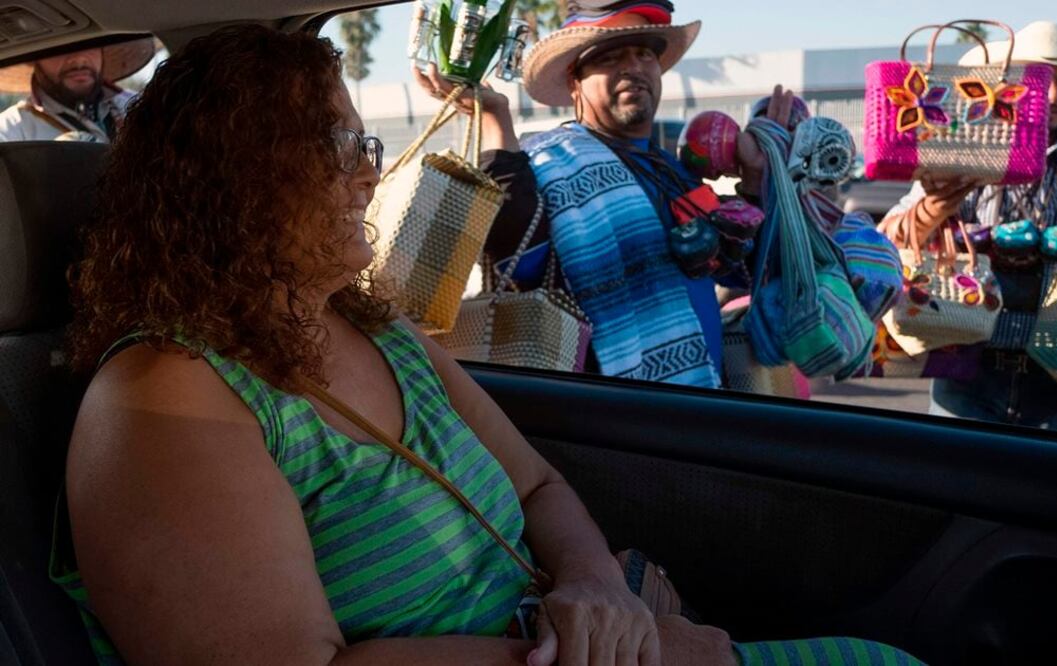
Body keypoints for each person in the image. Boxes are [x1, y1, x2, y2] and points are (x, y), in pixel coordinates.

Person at [54, 24, 920, 666]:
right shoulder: (165, 390)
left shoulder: (377, 328)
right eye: (336, 145)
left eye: (363, 142)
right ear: (233, 173)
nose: (369, 169)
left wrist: (592, 586)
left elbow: (537, 483)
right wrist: (627, 648)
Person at [416, 1, 794, 390]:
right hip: (609, 409)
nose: (633, 66)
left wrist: (756, 177)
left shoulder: (672, 171)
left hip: (700, 400)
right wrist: (496, 120)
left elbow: (736, 265)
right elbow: (517, 255)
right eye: (610, 57)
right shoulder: (548, 163)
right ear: (574, 82)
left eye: (645, 54)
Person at [879, 20, 1057, 430]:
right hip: (967, 375)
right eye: (1042, 80)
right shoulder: (962, 165)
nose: (1054, 95)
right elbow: (886, 242)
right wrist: (934, 208)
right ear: (1011, 84)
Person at [0, 39, 154, 142]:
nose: (79, 60)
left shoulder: (141, 108)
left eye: (90, 45)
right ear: (36, 60)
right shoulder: (11, 131)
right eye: (60, 48)